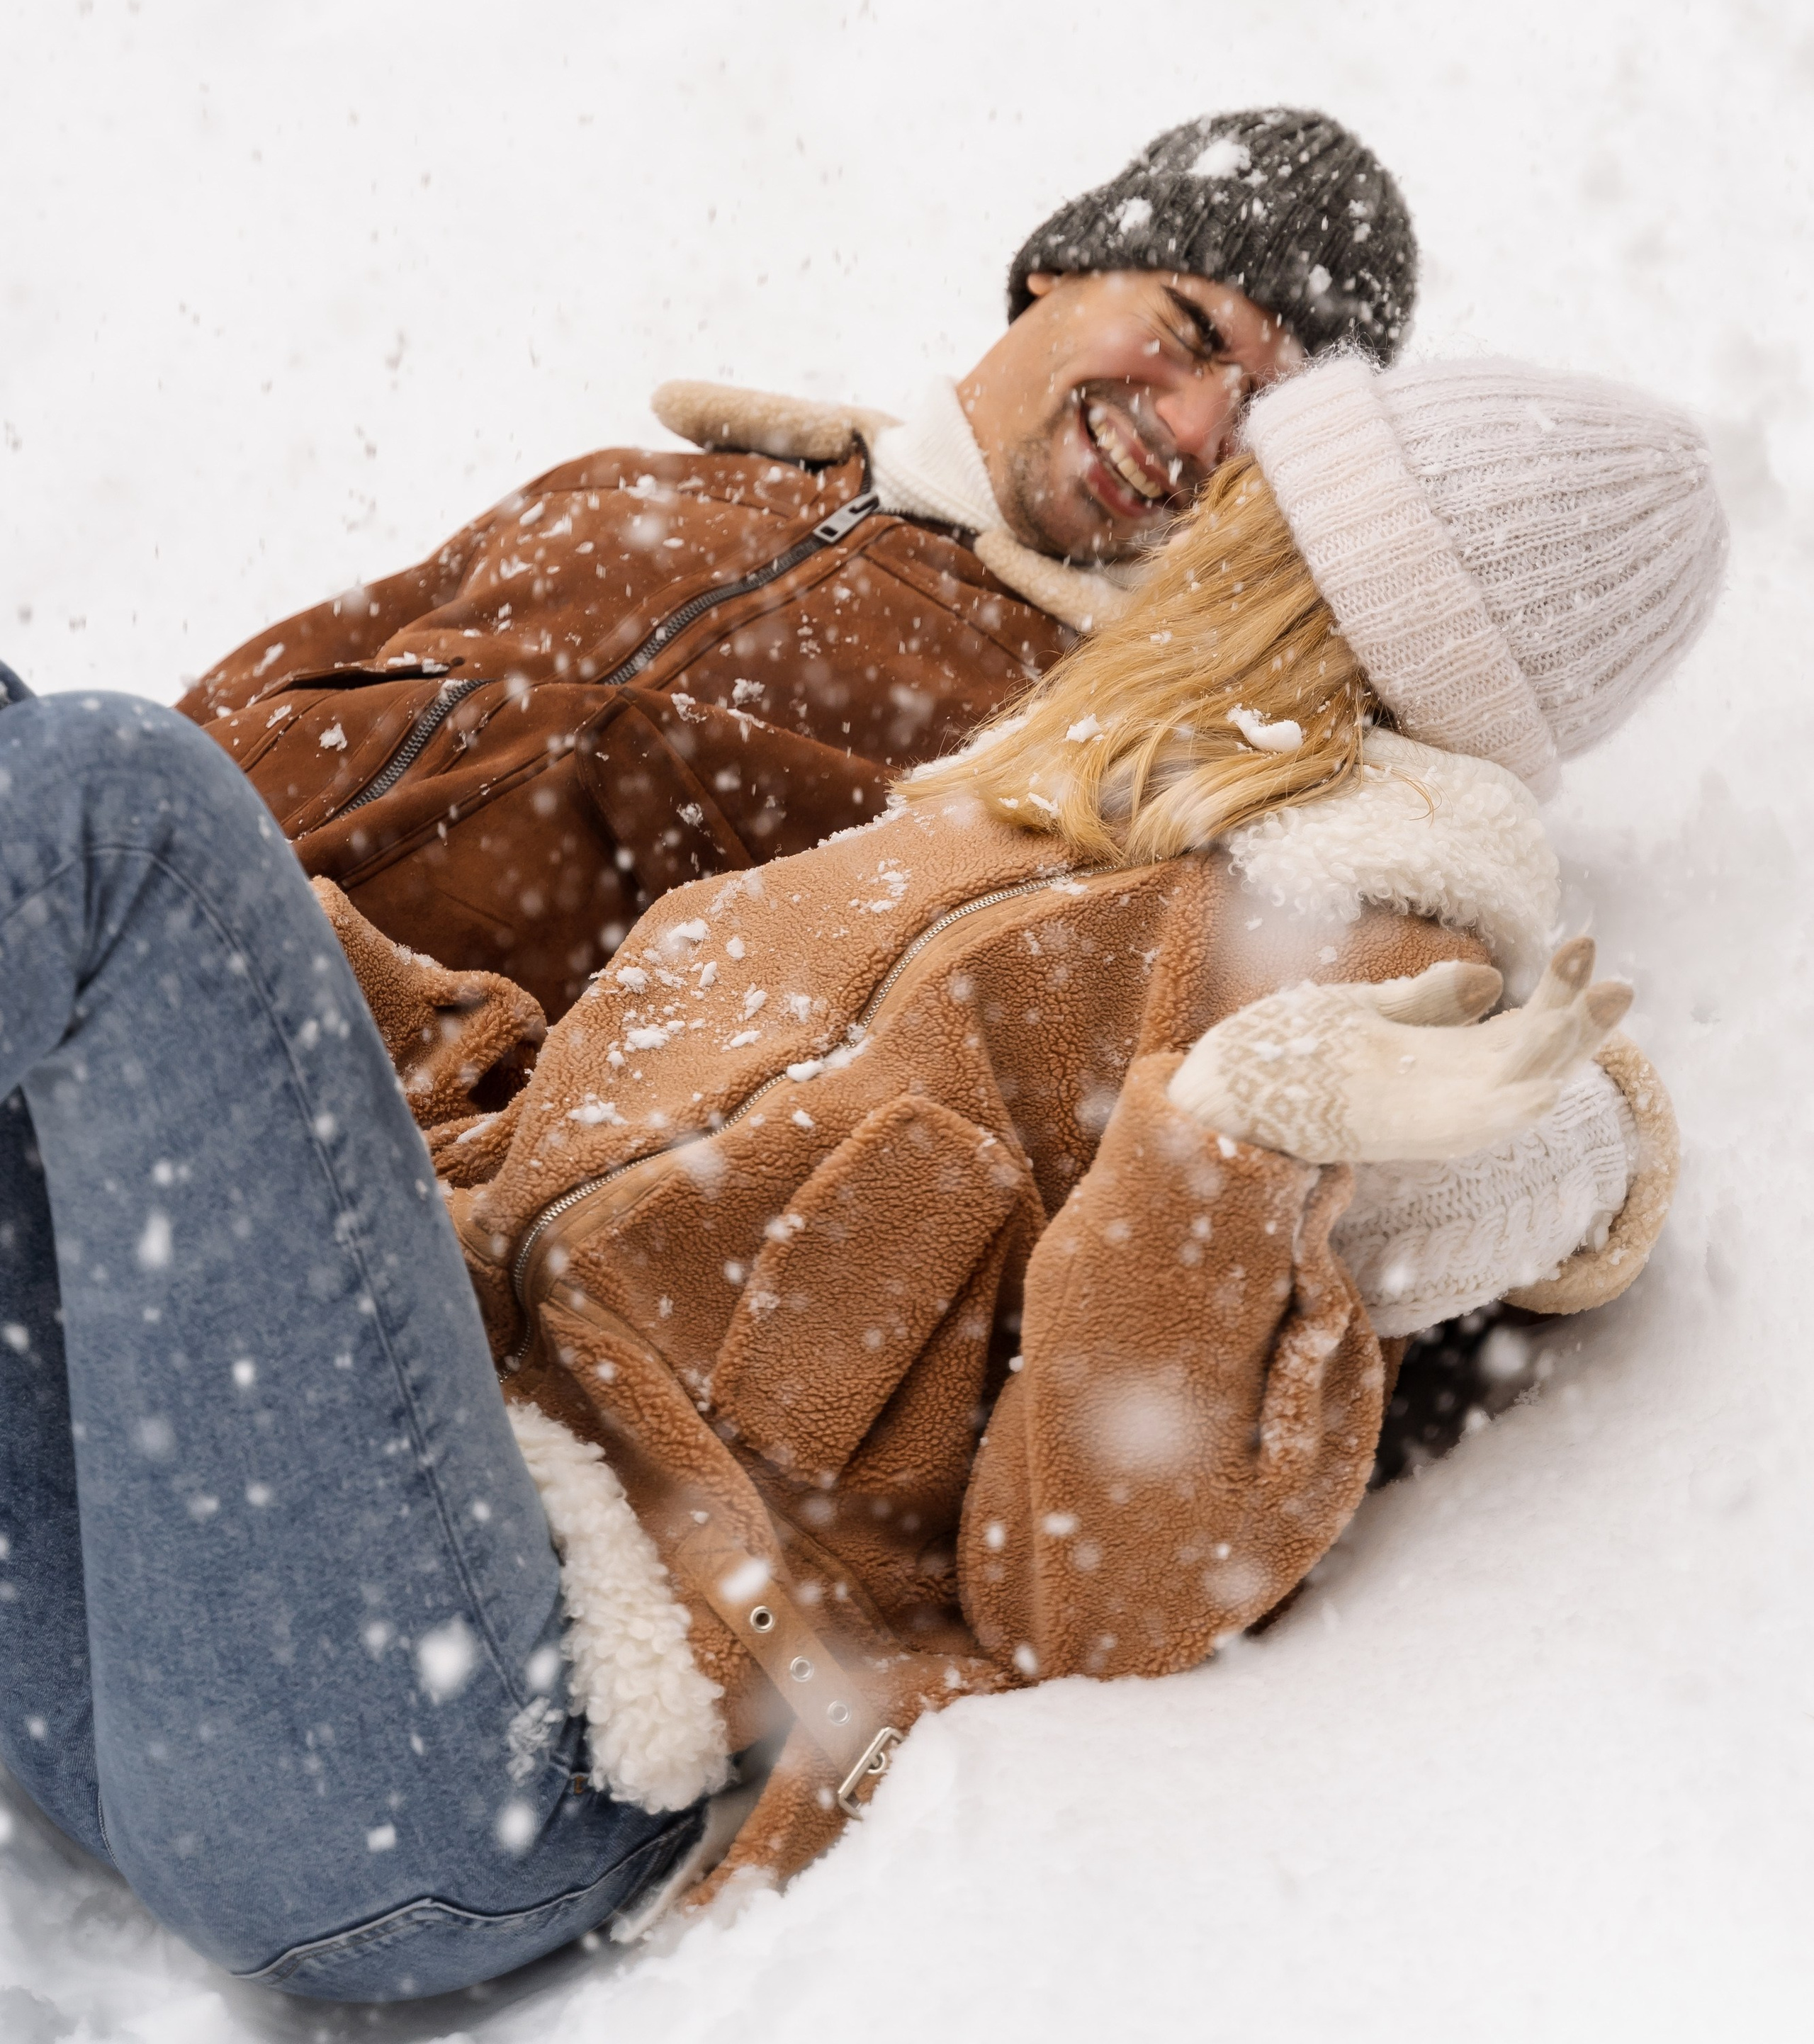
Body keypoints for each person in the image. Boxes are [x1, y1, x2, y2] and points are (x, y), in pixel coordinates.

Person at [0, 351, 1722, 2001]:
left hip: (476, 1742)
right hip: (178, 1635)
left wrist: (1232, 1142)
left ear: (1329, 588)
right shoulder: (1018, 811)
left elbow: (1093, 1602)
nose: (1211, 505)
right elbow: (561, 1167)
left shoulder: (1351, 989)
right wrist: (286, 992)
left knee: (113, 808)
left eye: (1269, 497)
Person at [179, 110, 1416, 1017]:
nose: (1195, 429)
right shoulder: (634, 483)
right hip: (152, 936)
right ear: (1061, 266)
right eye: (1189, 333)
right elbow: (218, 721)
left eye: (1262, 422)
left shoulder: (1091, 730)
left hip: (372, 1113)